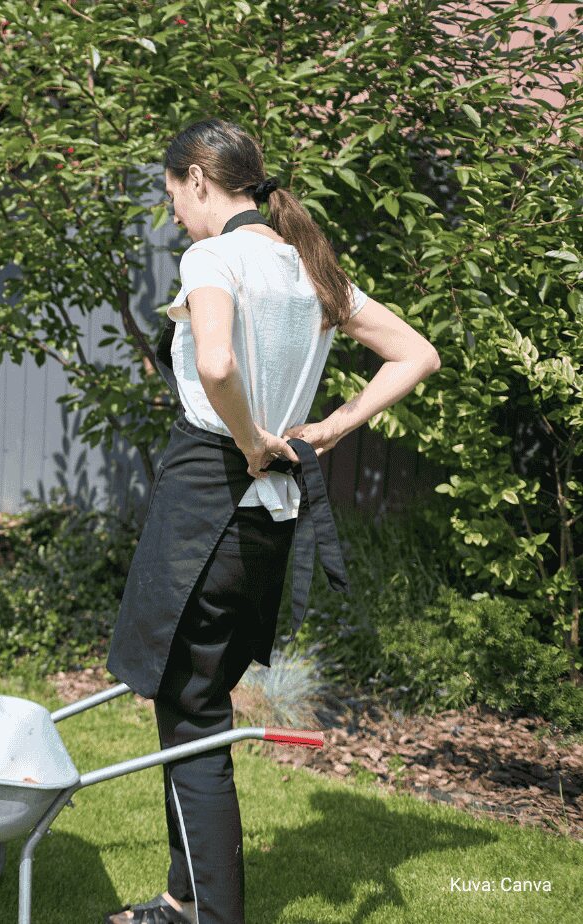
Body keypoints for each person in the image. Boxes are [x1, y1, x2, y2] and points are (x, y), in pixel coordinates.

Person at [101, 118, 441, 924]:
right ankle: (186, 898)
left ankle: (208, 916)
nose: (175, 211)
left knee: (192, 710)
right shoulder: (307, 267)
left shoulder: (212, 257)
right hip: (267, 518)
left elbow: (216, 364)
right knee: (193, 701)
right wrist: (326, 428)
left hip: (210, 499)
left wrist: (256, 437)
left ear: (197, 180)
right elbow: (416, 354)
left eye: (173, 193)